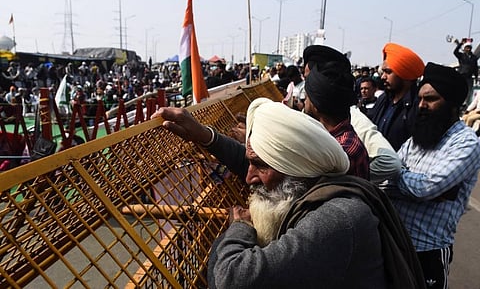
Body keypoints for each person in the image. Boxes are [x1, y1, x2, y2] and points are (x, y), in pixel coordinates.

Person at [152, 98, 425, 289]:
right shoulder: (314, 186)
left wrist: (240, 229)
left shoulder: (337, 219)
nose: (248, 178)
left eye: (258, 165)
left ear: (296, 169)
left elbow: (231, 280)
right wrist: (205, 136)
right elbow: (261, 164)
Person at [384, 62, 480, 289]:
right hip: (394, 245)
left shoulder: (466, 143)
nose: (422, 105)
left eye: (431, 99)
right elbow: (385, 179)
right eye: (420, 99)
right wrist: (411, 184)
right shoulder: (416, 139)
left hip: (428, 253)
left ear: (453, 105)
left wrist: (404, 180)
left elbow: (425, 187)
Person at [302, 44, 401, 186]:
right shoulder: (326, 130)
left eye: (309, 84)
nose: (305, 94)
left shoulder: (345, 148)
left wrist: (348, 177)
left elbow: (392, 164)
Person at [302, 45, 370, 179]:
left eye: (307, 95)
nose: (304, 100)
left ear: (316, 105)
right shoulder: (332, 139)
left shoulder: (341, 152)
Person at [368, 42, 425, 151]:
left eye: (388, 72)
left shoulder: (417, 105)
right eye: (383, 72)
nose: (383, 77)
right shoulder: (383, 99)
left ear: (404, 74)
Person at [453, 38, 478, 106]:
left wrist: (476, 76)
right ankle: (458, 103)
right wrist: (461, 43)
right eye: (467, 48)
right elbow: (455, 52)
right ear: (464, 48)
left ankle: (466, 105)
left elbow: (475, 68)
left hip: (469, 77)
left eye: (469, 48)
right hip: (461, 76)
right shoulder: (461, 56)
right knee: (460, 90)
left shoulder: (474, 57)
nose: (468, 49)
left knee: (469, 92)